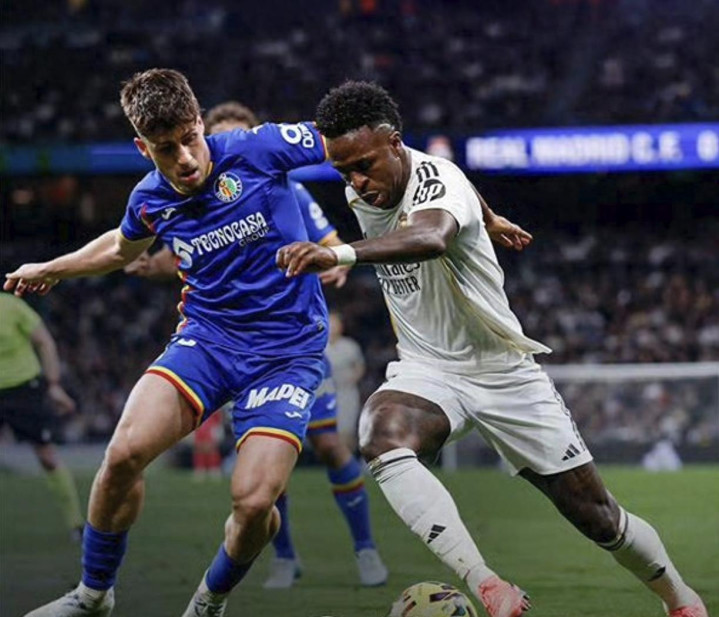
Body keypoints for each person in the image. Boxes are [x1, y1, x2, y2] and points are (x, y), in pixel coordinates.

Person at [276, 81, 708, 617]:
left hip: (503, 371)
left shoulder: (439, 180)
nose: (358, 183)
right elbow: (455, 192)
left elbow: (431, 236)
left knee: (599, 517)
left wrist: (338, 254)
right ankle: (487, 585)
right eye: (345, 173)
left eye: (364, 166)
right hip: (428, 367)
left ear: (395, 143)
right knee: (380, 435)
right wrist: (490, 215)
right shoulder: (366, 188)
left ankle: (680, 600)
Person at [6, 68, 334, 617]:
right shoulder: (149, 198)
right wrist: (53, 268)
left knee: (255, 503)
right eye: (165, 149)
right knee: (121, 456)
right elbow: (120, 249)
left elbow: (348, 141)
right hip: (208, 341)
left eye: (190, 139)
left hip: (287, 353)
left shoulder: (258, 148)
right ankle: (92, 595)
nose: (184, 158)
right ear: (143, 148)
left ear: (200, 122)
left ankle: (208, 601)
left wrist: (440, 197)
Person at [124, 100, 388, 590]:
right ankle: (284, 557)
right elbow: (177, 255)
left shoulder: (285, 184)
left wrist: (334, 262)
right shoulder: (187, 198)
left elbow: (332, 245)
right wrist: (144, 262)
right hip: (229, 348)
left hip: (292, 344)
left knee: (331, 445)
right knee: (260, 461)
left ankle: (366, 548)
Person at [0, 291, 84, 542]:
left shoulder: (12, 306)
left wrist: (53, 384)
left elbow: (45, 341)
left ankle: (76, 524)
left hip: (23, 390)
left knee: (47, 457)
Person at [326, 310, 366, 452]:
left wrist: (353, 378)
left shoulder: (350, 346)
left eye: (335, 323)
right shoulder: (319, 346)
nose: (332, 327)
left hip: (346, 393)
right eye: (329, 323)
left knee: (346, 429)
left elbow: (360, 366)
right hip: (325, 394)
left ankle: (350, 459)